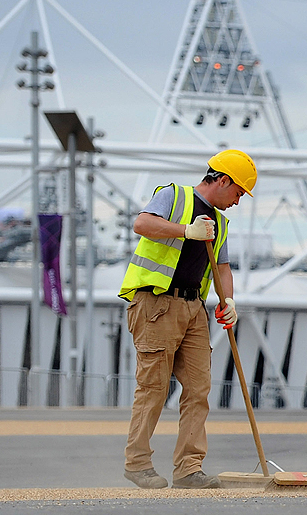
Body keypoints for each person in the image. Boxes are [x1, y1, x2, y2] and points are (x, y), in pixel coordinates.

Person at [118, 149, 257, 489]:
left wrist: (228, 301)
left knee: (198, 389)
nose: (238, 201)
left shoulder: (221, 223)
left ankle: (188, 468)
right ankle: (137, 464)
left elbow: (222, 268)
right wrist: (186, 230)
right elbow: (142, 224)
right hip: (155, 303)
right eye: (238, 192)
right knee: (153, 387)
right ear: (222, 181)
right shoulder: (173, 195)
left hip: (194, 308)